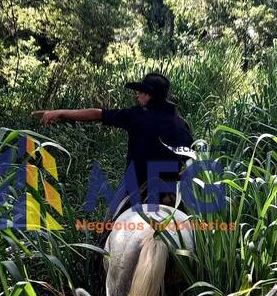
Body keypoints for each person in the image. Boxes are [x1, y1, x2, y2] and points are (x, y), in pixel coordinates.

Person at [32, 72, 193, 212]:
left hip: (137, 185)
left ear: (149, 95)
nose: (137, 94)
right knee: (195, 230)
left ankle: (101, 241)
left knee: (107, 225)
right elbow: (189, 159)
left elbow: (97, 114)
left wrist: (61, 112)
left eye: (141, 91)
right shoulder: (181, 124)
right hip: (170, 189)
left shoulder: (136, 115)